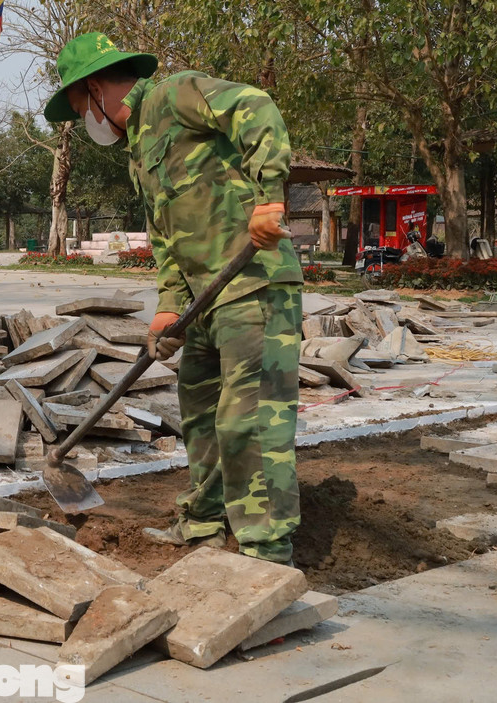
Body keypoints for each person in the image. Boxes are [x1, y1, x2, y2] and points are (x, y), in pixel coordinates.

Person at [43, 32, 303, 564]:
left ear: (94, 88)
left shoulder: (176, 94)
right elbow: (165, 238)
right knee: (202, 416)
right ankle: (204, 525)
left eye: (77, 108)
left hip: (252, 284)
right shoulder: (139, 150)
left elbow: (256, 106)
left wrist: (270, 195)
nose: (83, 122)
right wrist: (168, 307)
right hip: (202, 302)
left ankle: (266, 551)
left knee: (247, 419)